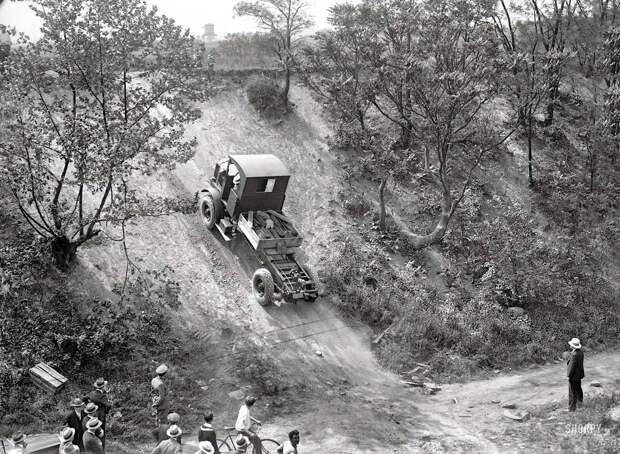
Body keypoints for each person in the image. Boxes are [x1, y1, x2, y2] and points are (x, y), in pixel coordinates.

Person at [567, 337, 585, 412]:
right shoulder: (581, 352)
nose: (569, 346)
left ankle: (572, 409)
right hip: (579, 375)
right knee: (578, 390)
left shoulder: (574, 354)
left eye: (571, 344)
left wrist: (569, 375)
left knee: (572, 393)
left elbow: (572, 367)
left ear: (573, 346)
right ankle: (580, 404)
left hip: (573, 376)